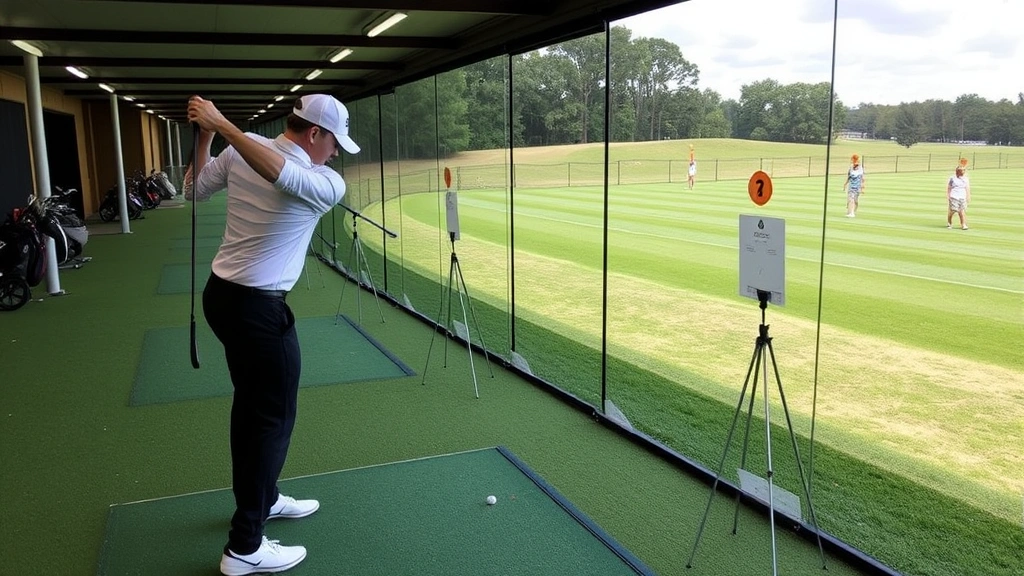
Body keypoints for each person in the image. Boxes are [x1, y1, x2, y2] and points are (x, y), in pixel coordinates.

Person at [186, 93, 360, 575]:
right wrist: (213, 131)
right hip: (256, 311)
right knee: (272, 419)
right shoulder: (323, 180)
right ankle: (245, 546)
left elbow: (272, 172)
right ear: (314, 134)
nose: (337, 153)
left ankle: (264, 498)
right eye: (334, 142)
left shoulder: (265, 157)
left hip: (222, 298)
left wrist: (216, 131)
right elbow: (198, 191)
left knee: (253, 407)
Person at [947, 165, 971, 230]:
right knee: (953, 210)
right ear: (957, 171)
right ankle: (949, 222)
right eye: (961, 171)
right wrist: (948, 195)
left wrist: (968, 196)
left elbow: (967, 188)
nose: (963, 172)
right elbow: (949, 187)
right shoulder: (952, 178)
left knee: (962, 211)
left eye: (963, 170)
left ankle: (963, 224)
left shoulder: (966, 179)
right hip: (954, 196)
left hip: (962, 196)